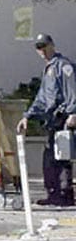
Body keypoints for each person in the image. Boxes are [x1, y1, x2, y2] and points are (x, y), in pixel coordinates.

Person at [16, 33, 76, 206]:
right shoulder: (49, 69)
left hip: (63, 118)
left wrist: (73, 113)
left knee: (61, 157)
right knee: (51, 157)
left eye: (44, 46)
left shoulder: (63, 67)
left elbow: (72, 91)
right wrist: (28, 116)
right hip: (52, 120)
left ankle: (64, 195)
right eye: (38, 47)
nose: (42, 50)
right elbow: (42, 98)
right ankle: (53, 193)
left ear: (52, 45)